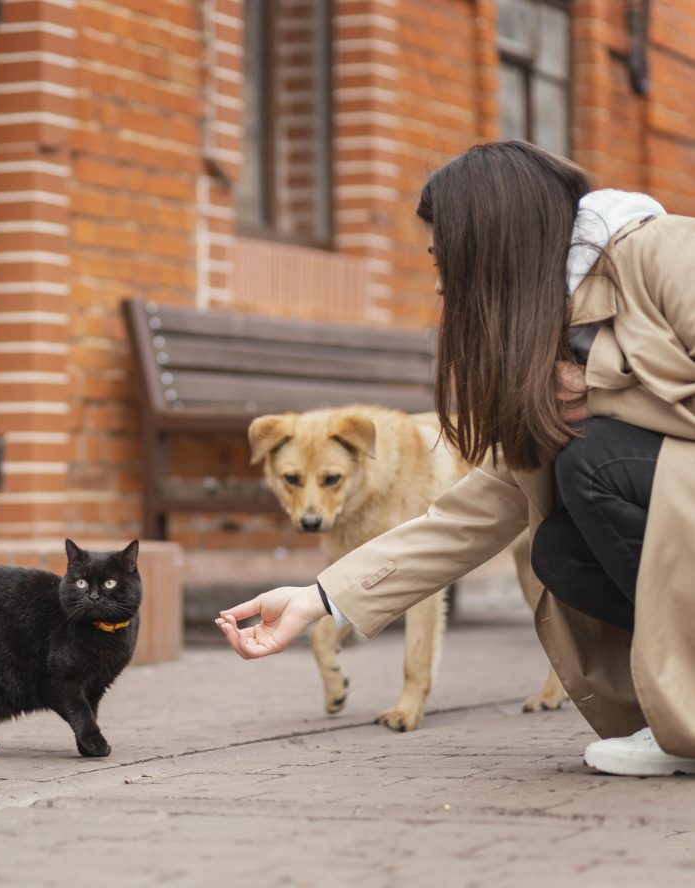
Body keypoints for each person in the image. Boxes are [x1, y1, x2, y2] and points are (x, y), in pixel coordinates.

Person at [216, 140, 695, 779]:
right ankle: (677, 713)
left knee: (593, 466)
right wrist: (322, 597)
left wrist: (605, 380)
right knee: (557, 548)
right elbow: (476, 509)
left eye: (448, 258)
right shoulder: (542, 335)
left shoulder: (660, 252)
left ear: (496, 242)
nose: (442, 283)